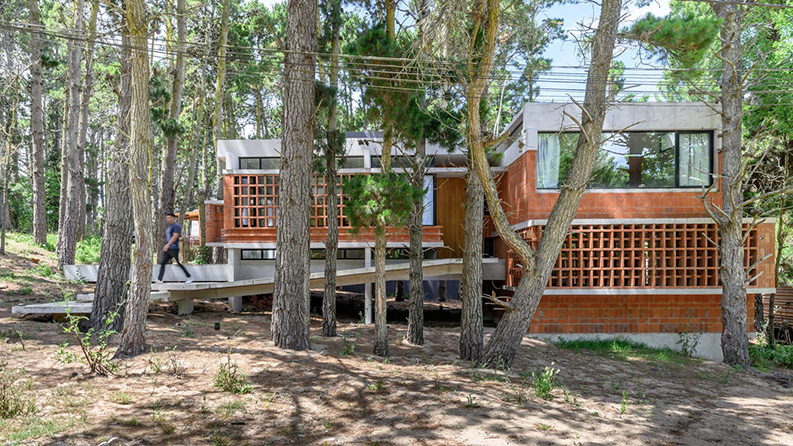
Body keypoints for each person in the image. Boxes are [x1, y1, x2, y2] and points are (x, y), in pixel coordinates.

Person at [156, 213, 193, 284]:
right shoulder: (170, 227)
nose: (167, 219)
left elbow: (175, 236)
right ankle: (160, 279)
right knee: (163, 263)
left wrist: (167, 245)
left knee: (178, 263)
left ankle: (189, 277)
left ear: (173, 218)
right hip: (168, 249)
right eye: (167, 218)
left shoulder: (176, 226)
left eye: (169, 218)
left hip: (174, 248)